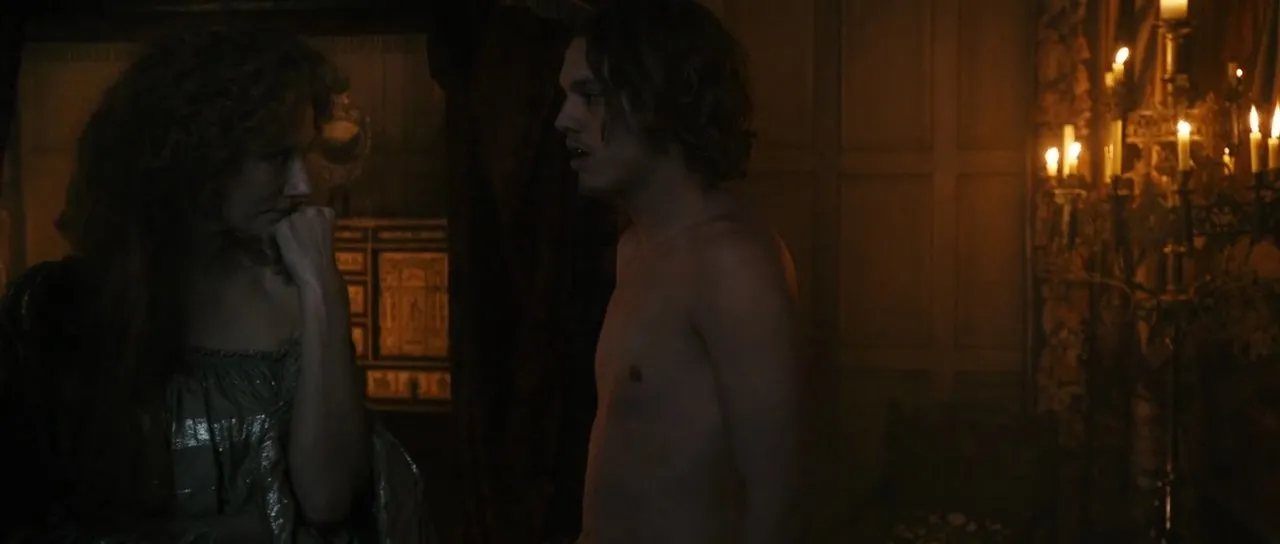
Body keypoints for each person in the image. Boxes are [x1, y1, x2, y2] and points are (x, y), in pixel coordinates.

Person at [0, 27, 428, 543]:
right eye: (276, 158)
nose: (302, 186)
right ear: (200, 157)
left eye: (304, 155)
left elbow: (329, 497)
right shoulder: (58, 309)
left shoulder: (293, 294)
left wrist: (322, 288)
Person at [553, 1, 801, 543]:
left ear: (657, 98)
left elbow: (775, 502)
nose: (564, 119)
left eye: (589, 95)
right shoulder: (635, 249)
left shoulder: (730, 264)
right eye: (567, 95)